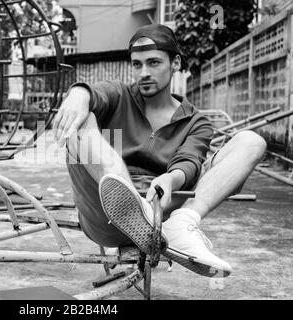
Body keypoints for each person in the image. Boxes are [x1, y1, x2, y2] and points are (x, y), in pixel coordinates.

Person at [52, 24, 267, 278]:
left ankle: (183, 223)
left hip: (160, 212)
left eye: (153, 63)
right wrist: (78, 92)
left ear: (175, 63)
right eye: (137, 64)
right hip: (105, 212)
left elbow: (190, 160)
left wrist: (171, 178)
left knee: (251, 142)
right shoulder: (119, 95)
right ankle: (127, 199)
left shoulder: (196, 122)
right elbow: (97, 94)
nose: (143, 72)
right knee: (81, 119)